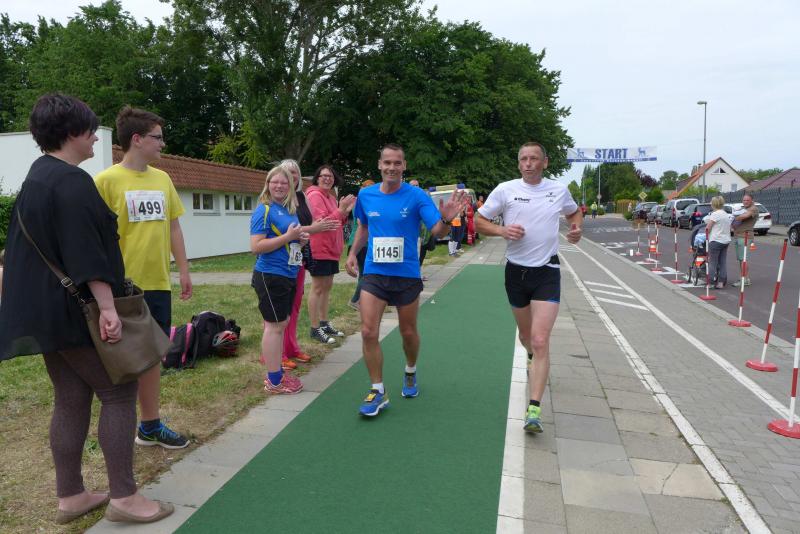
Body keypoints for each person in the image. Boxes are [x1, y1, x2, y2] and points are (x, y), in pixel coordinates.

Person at [0, 93, 172, 524]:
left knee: (71, 397)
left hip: (44, 314)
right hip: (77, 311)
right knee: (118, 392)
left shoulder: (37, 177)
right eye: (91, 130)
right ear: (72, 132)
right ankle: (125, 498)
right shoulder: (72, 182)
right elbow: (87, 253)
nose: (96, 137)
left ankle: (71, 495)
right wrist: (108, 309)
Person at [94, 106, 191, 450]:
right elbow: (94, 238)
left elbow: (174, 227)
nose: (163, 143)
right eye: (157, 137)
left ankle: (150, 426)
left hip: (158, 283)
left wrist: (183, 269)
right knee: (123, 359)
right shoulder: (105, 182)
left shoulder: (162, 179)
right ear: (136, 139)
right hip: (121, 290)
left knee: (152, 356)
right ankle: (117, 429)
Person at [345, 143, 466, 417]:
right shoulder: (366, 195)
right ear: (379, 165)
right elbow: (363, 227)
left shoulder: (417, 196)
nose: (392, 167)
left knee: (408, 332)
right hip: (375, 273)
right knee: (368, 331)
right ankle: (377, 390)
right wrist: (352, 253)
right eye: (387, 162)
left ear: (404, 166)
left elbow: (436, 230)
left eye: (397, 163)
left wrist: (447, 220)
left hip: (406, 274)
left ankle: (410, 370)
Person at [475, 142, 582, 433]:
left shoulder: (558, 190)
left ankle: (534, 409)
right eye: (523, 158)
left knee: (539, 339)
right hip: (516, 272)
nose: (528, 163)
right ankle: (532, 358)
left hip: (547, 271)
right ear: (518, 163)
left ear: (545, 162)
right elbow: (479, 221)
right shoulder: (505, 190)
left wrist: (576, 229)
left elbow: (574, 213)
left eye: (534, 158)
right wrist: (502, 230)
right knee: (526, 337)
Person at [274, 160, 339, 370]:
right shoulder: (276, 200)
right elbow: (297, 229)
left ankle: (291, 347)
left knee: (294, 306)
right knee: (279, 310)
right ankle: (277, 353)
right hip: (278, 261)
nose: (291, 176)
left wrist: (309, 232)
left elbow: (308, 226)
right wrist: (313, 229)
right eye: (287, 172)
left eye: (295, 172)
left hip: (298, 258)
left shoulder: (301, 197)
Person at [251, 166, 310, 394]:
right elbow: (256, 246)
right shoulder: (264, 210)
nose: (279, 186)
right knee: (274, 327)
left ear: (291, 186)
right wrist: (289, 236)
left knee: (280, 324)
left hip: (288, 274)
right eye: (274, 182)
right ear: (267, 184)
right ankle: (274, 380)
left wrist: (299, 241)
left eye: (284, 183)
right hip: (271, 275)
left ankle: (277, 373)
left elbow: (288, 241)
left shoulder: (288, 210)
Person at [305, 165, 356, 344]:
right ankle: (314, 328)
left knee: (327, 287)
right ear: (317, 178)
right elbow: (323, 223)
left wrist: (345, 213)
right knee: (318, 288)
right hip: (319, 248)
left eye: (330, 176)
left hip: (332, 249)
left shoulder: (332, 198)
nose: (327, 179)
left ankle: (324, 323)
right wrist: (341, 211)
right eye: (324, 176)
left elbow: (337, 222)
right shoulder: (314, 195)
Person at [731, 194, 759, 287]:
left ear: (752, 200)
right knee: (741, 259)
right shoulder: (744, 209)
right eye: (744, 200)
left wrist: (733, 217)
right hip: (738, 235)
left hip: (745, 236)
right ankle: (744, 277)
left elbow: (744, 216)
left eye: (747, 200)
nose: (745, 202)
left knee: (743, 259)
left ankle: (745, 279)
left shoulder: (753, 208)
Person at [704, 196, 731, 289]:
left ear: (714, 204)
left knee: (713, 262)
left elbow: (708, 228)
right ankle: (721, 282)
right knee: (722, 262)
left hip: (716, 240)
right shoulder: (725, 214)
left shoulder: (715, 214)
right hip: (725, 240)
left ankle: (710, 282)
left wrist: (706, 232)